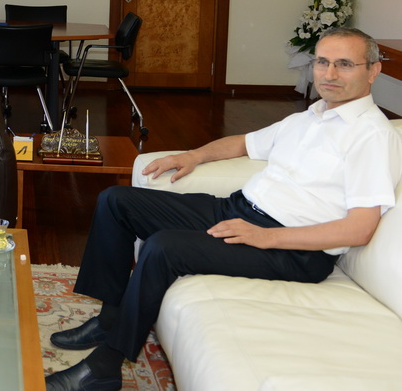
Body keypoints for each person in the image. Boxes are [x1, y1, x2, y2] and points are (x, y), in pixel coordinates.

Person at [45, 27, 402, 391]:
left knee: (164, 247)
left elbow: (360, 228)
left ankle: (104, 366)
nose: (330, 73)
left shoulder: (371, 136)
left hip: (292, 249)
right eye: (323, 62)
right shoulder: (311, 117)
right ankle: (110, 318)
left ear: (373, 71)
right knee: (117, 200)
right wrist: (193, 155)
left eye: (345, 64)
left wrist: (266, 237)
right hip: (240, 210)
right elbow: (245, 143)